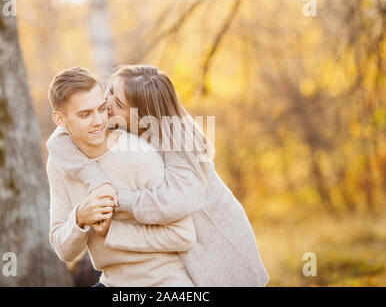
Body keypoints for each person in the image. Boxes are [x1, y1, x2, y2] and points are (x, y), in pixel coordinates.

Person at [47, 65, 269, 286]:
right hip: (151, 266)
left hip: (218, 244)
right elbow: (58, 141)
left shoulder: (177, 144)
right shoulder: (115, 130)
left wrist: (114, 200)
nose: (107, 105)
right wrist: (98, 184)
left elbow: (177, 202)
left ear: (142, 117)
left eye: (119, 104)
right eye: (111, 91)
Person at [47, 67, 197, 287]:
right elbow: (64, 250)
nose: (98, 121)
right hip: (112, 282)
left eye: (101, 108)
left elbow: (183, 235)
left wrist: (113, 231)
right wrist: (79, 217)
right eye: (85, 114)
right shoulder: (60, 163)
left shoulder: (139, 155)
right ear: (60, 119)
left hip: (164, 282)